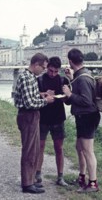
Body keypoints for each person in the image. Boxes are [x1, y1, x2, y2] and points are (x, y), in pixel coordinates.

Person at [14, 52, 55, 194]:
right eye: (43, 67)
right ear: (36, 64)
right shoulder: (26, 78)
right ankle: (27, 184)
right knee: (29, 151)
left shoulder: (30, 77)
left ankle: (30, 180)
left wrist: (40, 94)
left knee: (35, 150)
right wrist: (46, 101)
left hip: (32, 116)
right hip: (28, 116)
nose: (44, 70)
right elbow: (29, 103)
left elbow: (30, 96)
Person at [62, 48, 101, 193]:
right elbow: (82, 92)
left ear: (71, 62)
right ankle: (82, 178)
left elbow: (86, 100)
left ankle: (92, 184)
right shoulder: (81, 75)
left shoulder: (83, 78)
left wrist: (69, 94)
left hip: (87, 117)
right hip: (83, 117)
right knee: (80, 148)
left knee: (88, 151)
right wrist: (72, 79)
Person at [35, 56, 69, 187]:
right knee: (40, 148)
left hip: (58, 118)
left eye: (55, 71)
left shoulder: (62, 80)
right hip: (43, 118)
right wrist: (43, 93)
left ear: (59, 70)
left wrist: (64, 97)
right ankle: (38, 174)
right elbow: (34, 95)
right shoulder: (40, 80)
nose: (52, 74)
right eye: (50, 71)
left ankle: (60, 177)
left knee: (59, 148)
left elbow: (68, 100)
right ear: (47, 67)